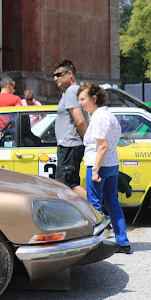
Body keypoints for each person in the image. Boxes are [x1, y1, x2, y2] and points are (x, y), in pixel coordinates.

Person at [78, 83, 132, 254]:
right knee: (113, 203)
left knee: (95, 205)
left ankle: (97, 244)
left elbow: (103, 146)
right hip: (111, 164)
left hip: (99, 164)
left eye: (83, 99)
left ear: (94, 99)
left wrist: (95, 169)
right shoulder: (107, 115)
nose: (80, 102)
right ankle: (122, 241)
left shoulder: (100, 117)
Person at [53, 59, 87, 199]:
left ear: (70, 74)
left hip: (70, 145)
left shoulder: (72, 90)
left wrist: (87, 141)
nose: (56, 78)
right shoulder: (69, 92)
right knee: (60, 184)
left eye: (59, 74)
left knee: (71, 185)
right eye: (54, 76)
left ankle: (99, 211)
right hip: (65, 145)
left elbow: (79, 120)